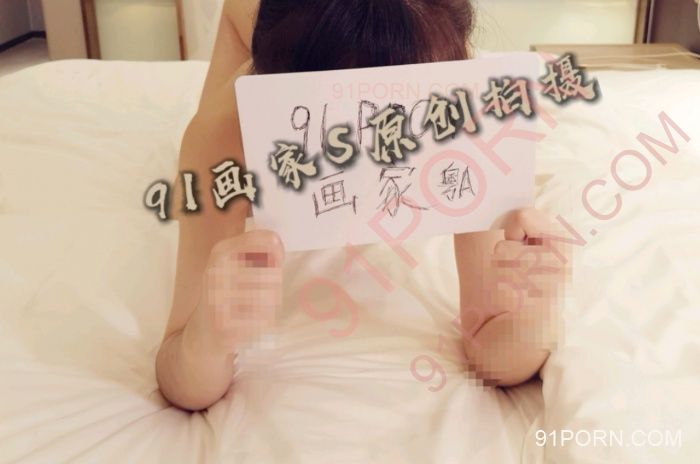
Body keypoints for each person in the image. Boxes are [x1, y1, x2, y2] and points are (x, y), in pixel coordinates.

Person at [156, 0, 568, 411]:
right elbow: (180, 376)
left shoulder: (457, 92)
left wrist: (535, 318)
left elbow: (491, 348)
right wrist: (206, 337)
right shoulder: (225, 129)